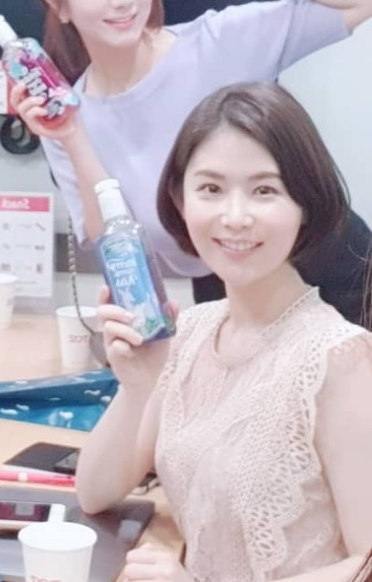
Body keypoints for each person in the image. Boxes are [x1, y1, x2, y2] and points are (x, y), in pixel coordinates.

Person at [14, 0, 372, 318]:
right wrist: (72, 135)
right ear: (59, 4)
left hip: (329, 268)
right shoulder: (67, 120)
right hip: (227, 289)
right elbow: (116, 247)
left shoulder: (217, 44)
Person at [76, 83, 372, 582]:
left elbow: (367, 562)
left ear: (305, 204)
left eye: (264, 191)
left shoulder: (338, 358)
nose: (235, 218)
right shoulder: (190, 332)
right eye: (211, 189)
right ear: (179, 199)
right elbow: (94, 492)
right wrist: (136, 387)